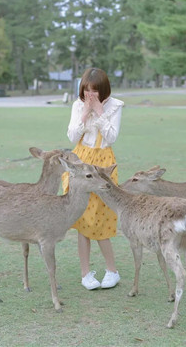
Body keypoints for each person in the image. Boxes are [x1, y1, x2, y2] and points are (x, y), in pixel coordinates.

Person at [62, 67, 124, 290]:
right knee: (83, 219)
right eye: (86, 90)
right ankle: (85, 273)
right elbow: (71, 136)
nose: (89, 95)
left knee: (100, 217)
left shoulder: (115, 106)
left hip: (103, 163)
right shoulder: (78, 105)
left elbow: (112, 136)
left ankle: (112, 270)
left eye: (95, 91)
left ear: (103, 90)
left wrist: (99, 111)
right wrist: (85, 113)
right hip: (81, 161)